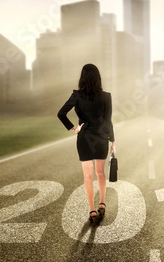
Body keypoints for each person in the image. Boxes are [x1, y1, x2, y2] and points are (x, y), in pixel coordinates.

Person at [57, 63, 116, 225]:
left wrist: (74, 128)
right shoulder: (106, 96)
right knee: (101, 173)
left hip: (84, 138)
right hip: (101, 139)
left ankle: (92, 211)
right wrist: (113, 141)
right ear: (98, 78)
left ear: (82, 78)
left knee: (88, 176)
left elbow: (61, 113)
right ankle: (102, 204)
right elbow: (108, 121)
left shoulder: (76, 95)